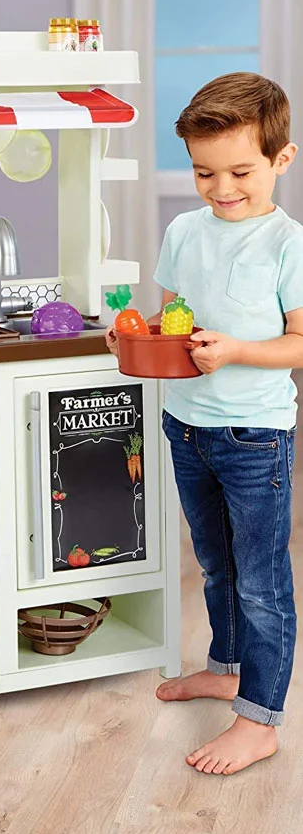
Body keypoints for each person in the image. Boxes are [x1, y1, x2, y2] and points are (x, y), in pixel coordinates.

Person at [107, 73, 303, 775]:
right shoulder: (184, 231)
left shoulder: (287, 243)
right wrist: (135, 334)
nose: (222, 188)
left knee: (261, 580)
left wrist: (239, 351)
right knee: (215, 565)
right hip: (186, 427)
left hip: (255, 437)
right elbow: (174, 318)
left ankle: (259, 719)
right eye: (203, 172)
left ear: (282, 160)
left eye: (241, 172)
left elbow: (299, 341)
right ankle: (226, 668)